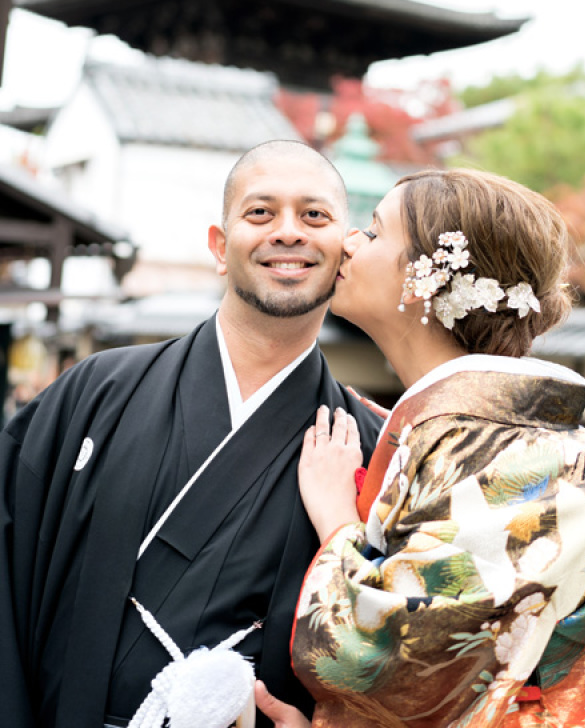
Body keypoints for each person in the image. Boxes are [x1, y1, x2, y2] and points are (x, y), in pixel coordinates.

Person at [255, 168, 585, 728]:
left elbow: (382, 658)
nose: (348, 241)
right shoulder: (444, 436)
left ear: (424, 279)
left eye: (374, 232)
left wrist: (334, 522)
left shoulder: (564, 474)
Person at [0, 139, 382, 728]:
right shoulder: (97, 390)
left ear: (344, 250)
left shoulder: (366, 443)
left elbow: (397, 655)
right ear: (220, 247)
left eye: (315, 215)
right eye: (260, 212)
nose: (288, 232)